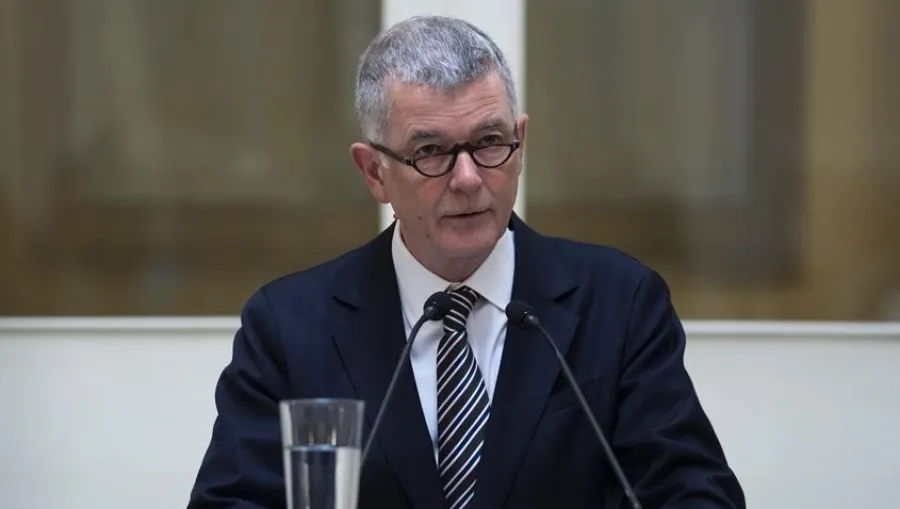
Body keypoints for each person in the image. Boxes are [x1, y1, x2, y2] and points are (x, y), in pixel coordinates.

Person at [187, 15, 745, 509]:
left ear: (520, 144)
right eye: (430, 151)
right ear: (374, 172)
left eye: (489, 141)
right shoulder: (290, 327)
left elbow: (695, 494)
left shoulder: (620, 303)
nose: (469, 178)